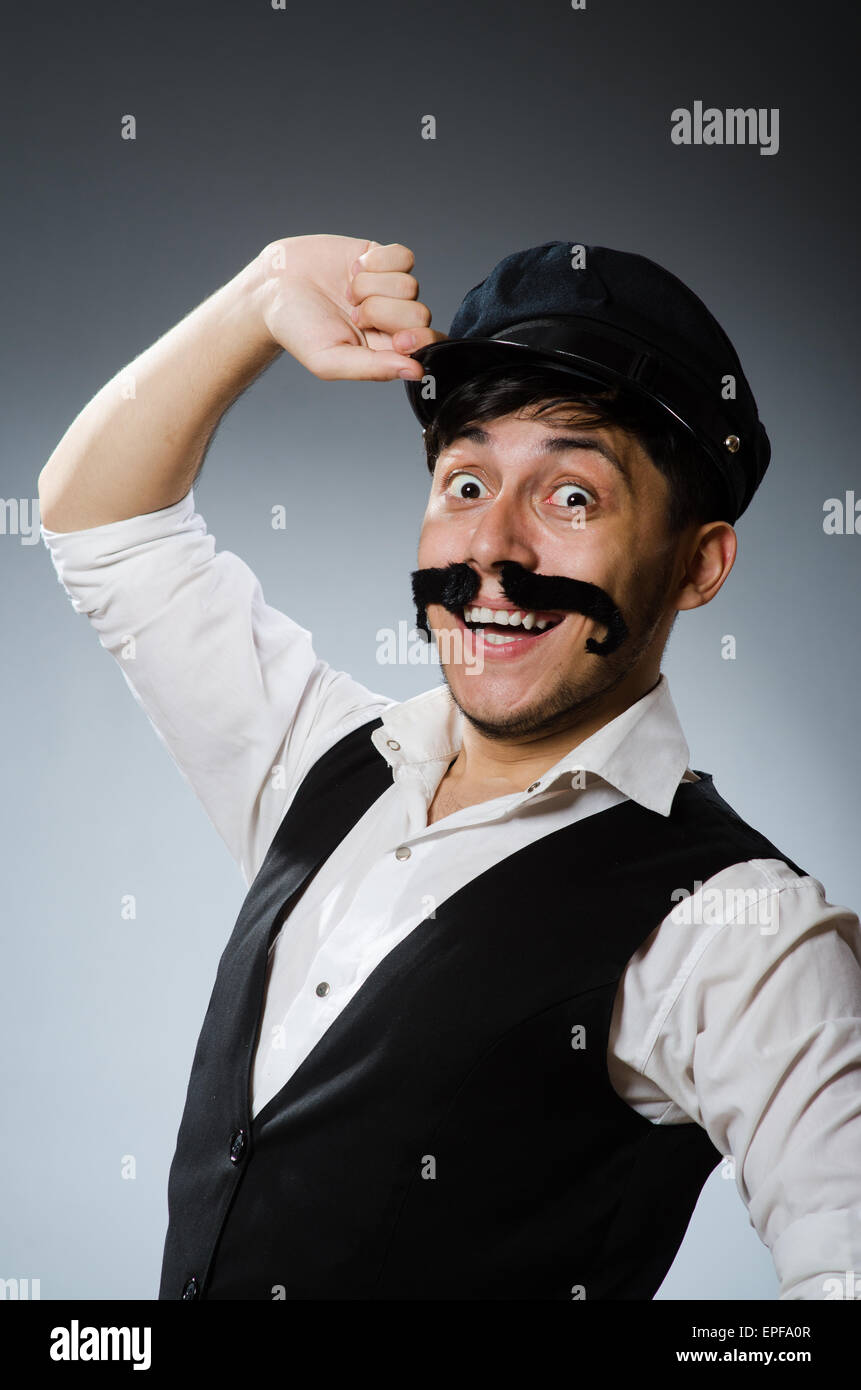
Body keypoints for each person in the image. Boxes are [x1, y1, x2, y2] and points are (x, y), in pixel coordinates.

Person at [38, 235, 861, 1301]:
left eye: (573, 498)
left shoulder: (737, 929)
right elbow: (100, 521)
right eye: (466, 481)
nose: (495, 552)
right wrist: (262, 293)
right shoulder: (329, 767)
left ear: (697, 563)